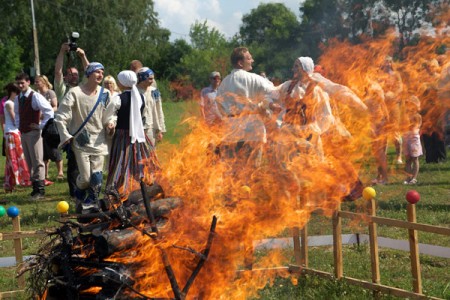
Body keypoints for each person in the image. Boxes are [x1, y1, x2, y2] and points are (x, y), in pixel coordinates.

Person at [55, 62, 114, 213]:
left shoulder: (105, 93)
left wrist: (110, 124)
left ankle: (90, 205)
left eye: (102, 72)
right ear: (88, 74)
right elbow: (61, 116)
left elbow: (109, 114)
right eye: (97, 72)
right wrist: (65, 134)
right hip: (81, 141)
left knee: (97, 178)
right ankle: (79, 192)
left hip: (99, 140)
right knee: (86, 178)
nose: (100, 75)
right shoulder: (75, 92)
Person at [216, 47, 279, 171]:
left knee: (233, 173)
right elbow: (274, 93)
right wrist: (266, 106)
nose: (252, 60)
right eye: (249, 58)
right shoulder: (253, 78)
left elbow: (219, 107)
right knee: (251, 172)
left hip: (231, 131)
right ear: (240, 63)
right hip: (252, 130)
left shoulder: (224, 83)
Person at [105, 71, 160, 201]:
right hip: (139, 136)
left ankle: (120, 191)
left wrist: (110, 123)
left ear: (122, 83)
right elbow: (143, 116)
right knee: (140, 161)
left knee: (121, 163)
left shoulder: (118, 98)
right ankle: (141, 188)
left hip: (122, 136)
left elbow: (109, 116)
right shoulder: (141, 97)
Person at [54, 42, 89, 200]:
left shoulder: (83, 88)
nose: (75, 76)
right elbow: (57, 72)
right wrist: (62, 52)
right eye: (71, 74)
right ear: (67, 77)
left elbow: (91, 72)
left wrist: (83, 56)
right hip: (70, 132)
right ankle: (75, 193)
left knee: (88, 163)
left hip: (86, 130)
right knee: (74, 164)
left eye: (76, 74)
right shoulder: (62, 90)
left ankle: (87, 191)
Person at [14, 72, 54, 199]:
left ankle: (40, 190)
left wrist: (40, 126)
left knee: (37, 160)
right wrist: (19, 127)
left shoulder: (35, 96)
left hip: (34, 133)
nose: (20, 85)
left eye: (23, 83)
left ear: (28, 82)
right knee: (30, 161)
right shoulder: (18, 98)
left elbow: (49, 111)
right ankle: (35, 187)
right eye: (18, 83)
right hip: (24, 132)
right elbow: (17, 114)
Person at [35, 75, 64, 183]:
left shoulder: (50, 93)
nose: (36, 84)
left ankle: (60, 171)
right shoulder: (36, 95)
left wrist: (45, 113)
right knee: (43, 149)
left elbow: (56, 106)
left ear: (44, 82)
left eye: (38, 82)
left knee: (53, 147)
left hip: (51, 123)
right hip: (40, 124)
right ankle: (45, 173)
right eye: (35, 82)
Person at [3, 83, 31, 192]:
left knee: (18, 157)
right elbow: (15, 120)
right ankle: (15, 181)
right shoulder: (9, 103)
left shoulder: (14, 103)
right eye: (18, 92)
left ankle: (15, 182)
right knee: (13, 159)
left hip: (15, 132)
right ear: (13, 92)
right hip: (11, 133)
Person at [379, 56, 404, 164]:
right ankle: (383, 156)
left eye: (389, 62)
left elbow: (400, 88)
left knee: (395, 132)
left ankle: (399, 156)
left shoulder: (396, 75)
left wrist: (393, 95)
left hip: (393, 106)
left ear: (391, 63)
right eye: (385, 62)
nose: (387, 64)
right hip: (382, 107)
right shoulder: (379, 76)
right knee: (382, 133)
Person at [137, 67, 166, 146]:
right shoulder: (134, 91)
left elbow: (159, 111)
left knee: (150, 154)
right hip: (136, 128)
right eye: (150, 79)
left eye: (152, 79)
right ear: (142, 78)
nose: (152, 81)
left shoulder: (154, 91)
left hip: (151, 128)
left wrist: (161, 130)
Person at [402, 96, 423, 185]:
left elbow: (416, 126)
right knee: (407, 160)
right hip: (406, 137)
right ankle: (408, 177)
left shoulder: (417, 116)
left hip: (414, 138)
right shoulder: (405, 115)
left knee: (414, 159)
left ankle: (414, 178)